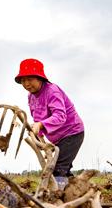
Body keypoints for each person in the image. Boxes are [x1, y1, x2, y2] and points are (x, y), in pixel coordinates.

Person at [15, 59, 85, 189]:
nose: (26, 84)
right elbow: (37, 119)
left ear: (40, 78)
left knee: (58, 168)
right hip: (57, 138)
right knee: (63, 169)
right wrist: (37, 134)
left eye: (30, 79)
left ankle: (57, 195)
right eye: (23, 80)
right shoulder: (31, 97)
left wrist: (40, 125)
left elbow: (60, 116)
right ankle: (76, 190)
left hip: (72, 132)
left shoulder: (52, 91)